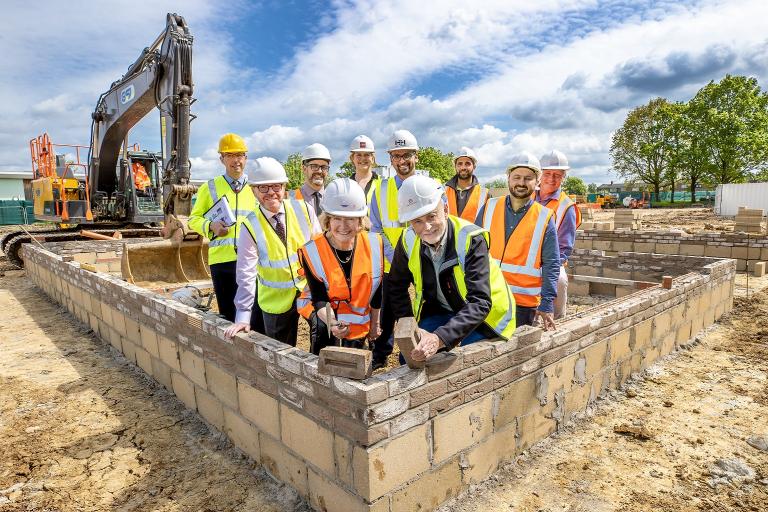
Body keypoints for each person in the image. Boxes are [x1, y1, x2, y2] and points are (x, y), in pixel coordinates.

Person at [388, 175, 516, 362]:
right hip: (442, 309)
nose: (427, 227)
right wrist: (410, 325)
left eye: (432, 216)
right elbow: (396, 285)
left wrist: (439, 339)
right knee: (410, 357)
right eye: (417, 221)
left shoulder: (471, 239)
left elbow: (480, 302)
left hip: (484, 317)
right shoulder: (407, 240)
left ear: (445, 210)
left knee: (468, 362)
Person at [224, 157, 320, 345]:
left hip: (309, 291)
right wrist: (243, 315)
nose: (271, 193)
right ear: (253, 191)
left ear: (284, 187)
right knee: (278, 350)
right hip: (275, 302)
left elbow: (320, 252)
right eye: (263, 188)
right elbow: (246, 272)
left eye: (276, 186)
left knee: (323, 334)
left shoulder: (304, 209)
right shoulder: (249, 226)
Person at [297, 178, 384, 354]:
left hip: (357, 318)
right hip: (322, 311)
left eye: (350, 219)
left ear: (360, 220)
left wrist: (375, 324)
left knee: (354, 361)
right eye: (337, 218)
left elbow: (377, 290)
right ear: (328, 219)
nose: (343, 226)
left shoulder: (374, 244)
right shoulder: (312, 250)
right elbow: (319, 298)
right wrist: (333, 324)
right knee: (324, 338)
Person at [477, 152, 560, 330]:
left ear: (537, 182)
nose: (521, 183)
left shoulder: (544, 217)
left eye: (528, 178)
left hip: (522, 304)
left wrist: (547, 303)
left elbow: (552, 263)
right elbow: (469, 250)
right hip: (485, 297)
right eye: (517, 177)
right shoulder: (489, 207)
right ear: (508, 178)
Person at [188, 133, 256, 322]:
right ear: (222, 159)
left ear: (246, 158)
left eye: (240, 155)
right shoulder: (209, 187)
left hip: (251, 260)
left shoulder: (256, 187)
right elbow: (193, 219)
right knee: (228, 314)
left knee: (254, 314)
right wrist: (211, 226)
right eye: (230, 155)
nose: (236, 160)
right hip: (222, 261)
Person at [368, 129, 421, 368]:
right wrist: (398, 258)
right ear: (390, 159)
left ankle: (409, 356)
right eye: (396, 156)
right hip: (392, 264)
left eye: (407, 155)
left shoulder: (430, 186)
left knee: (419, 310)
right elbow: (376, 229)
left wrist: (415, 259)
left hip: (423, 263)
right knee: (388, 312)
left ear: (416, 156)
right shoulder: (380, 189)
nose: (402, 161)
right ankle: (380, 355)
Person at [537, 150, 582, 319]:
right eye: (547, 173)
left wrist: (544, 265)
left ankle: (556, 320)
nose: (551, 178)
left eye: (557, 174)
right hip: (523, 256)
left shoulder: (566, 207)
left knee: (559, 281)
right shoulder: (528, 197)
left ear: (564, 177)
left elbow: (564, 248)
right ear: (539, 174)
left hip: (550, 260)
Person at [445, 147, 487, 224]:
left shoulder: (485, 195)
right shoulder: (443, 192)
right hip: (449, 236)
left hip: (474, 236)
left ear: (474, 166)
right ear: (455, 167)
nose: (463, 167)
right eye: (460, 164)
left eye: (467, 163)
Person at [290, 143, 330, 216]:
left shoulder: (333, 198)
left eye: (324, 167)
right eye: (314, 166)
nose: (320, 171)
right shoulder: (290, 199)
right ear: (304, 169)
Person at [348, 135, 382, 204]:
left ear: (372, 158)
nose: (363, 158)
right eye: (358, 155)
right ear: (352, 158)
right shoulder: (345, 185)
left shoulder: (383, 184)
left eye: (367, 154)